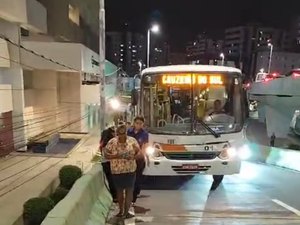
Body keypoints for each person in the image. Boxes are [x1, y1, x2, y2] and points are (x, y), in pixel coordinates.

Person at [104, 124, 141, 218]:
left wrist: (133, 157)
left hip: (130, 170)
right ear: (117, 133)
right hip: (117, 171)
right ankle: (121, 210)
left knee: (129, 191)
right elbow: (106, 154)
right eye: (120, 134)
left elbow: (139, 153)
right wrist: (116, 156)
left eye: (123, 133)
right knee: (119, 191)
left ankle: (126, 212)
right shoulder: (112, 142)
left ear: (126, 133)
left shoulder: (132, 141)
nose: (122, 136)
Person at [127, 116, 149, 204]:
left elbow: (144, 146)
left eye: (140, 124)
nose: (138, 125)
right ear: (134, 123)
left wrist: (140, 155)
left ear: (142, 124)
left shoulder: (144, 134)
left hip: (139, 159)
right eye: (137, 123)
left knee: (137, 177)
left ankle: (134, 197)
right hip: (129, 158)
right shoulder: (129, 132)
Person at [100, 126, 117, 202]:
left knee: (110, 180)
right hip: (110, 163)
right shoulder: (111, 143)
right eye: (113, 132)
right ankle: (115, 196)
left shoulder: (103, 144)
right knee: (113, 180)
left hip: (105, 163)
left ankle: (115, 196)